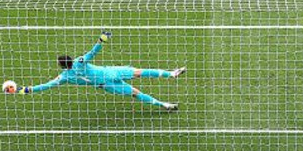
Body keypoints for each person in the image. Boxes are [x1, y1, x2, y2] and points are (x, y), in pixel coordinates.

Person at [14, 31, 187, 111]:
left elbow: (46, 86)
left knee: (136, 92)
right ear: (70, 59)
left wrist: (26, 90)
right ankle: (171, 74)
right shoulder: (79, 62)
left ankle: (163, 105)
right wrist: (101, 39)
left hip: (106, 84)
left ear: (62, 66)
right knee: (140, 72)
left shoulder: (64, 77)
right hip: (111, 73)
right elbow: (92, 52)